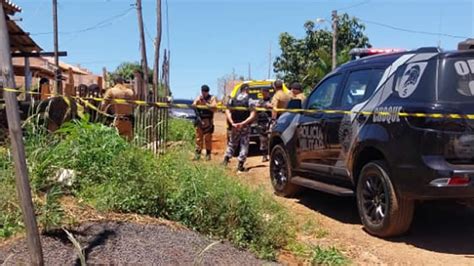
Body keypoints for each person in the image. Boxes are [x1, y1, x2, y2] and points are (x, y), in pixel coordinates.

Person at [222, 84, 257, 172]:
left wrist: (232, 122)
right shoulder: (250, 100)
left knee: (232, 143)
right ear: (247, 89)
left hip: (234, 125)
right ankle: (240, 165)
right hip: (244, 126)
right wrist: (243, 123)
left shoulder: (232, 99)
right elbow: (253, 115)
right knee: (244, 144)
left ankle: (225, 161)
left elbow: (227, 110)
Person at [102, 76, 135, 140]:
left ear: (114, 82)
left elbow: (103, 104)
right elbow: (134, 105)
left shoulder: (111, 91)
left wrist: (104, 114)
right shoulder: (130, 92)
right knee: (128, 144)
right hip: (129, 122)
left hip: (116, 121)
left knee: (116, 144)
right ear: (123, 82)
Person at [192, 84, 217, 161]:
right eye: (203, 91)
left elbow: (214, 107)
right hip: (200, 120)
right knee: (198, 138)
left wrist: (205, 103)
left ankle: (208, 154)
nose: (204, 93)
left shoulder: (212, 98)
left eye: (205, 92)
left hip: (208, 121)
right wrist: (198, 101)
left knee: (208, 138)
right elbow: (193, 105)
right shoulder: (199, 98)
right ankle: (197, 154)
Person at [256, 87, 273, 162]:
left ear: (267, 92)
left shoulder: (271, 100)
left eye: (263, 93)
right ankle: (264, 156)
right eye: (262, 93)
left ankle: (271, 155)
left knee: (270, 139)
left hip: (269, 121)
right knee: (263, 140)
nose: (263, 94)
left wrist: (269, 106)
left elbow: (274, 107)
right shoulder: (260, 101)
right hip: (261, 122)